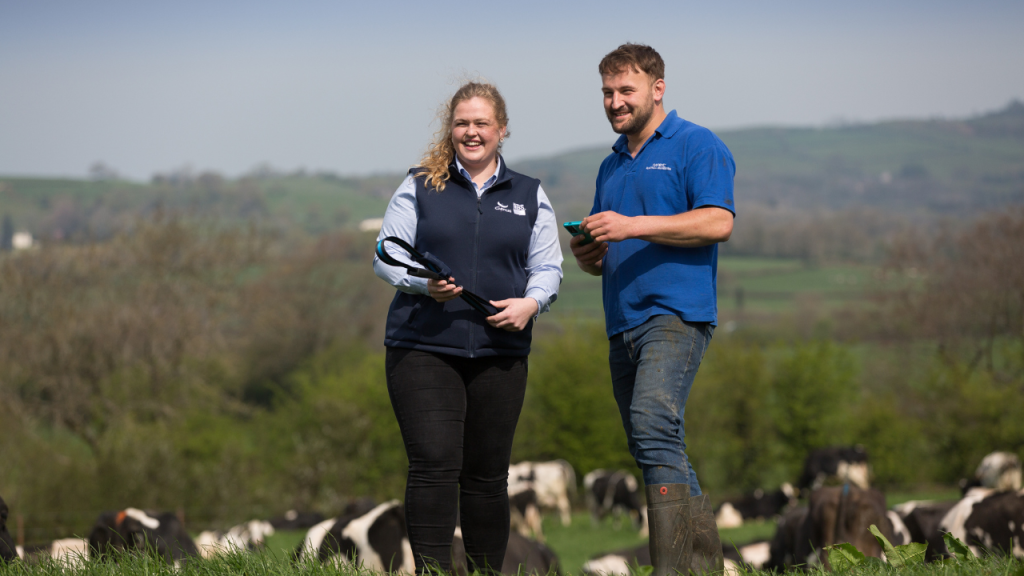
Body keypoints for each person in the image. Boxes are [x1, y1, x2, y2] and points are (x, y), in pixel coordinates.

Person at [373, 81, 562, 574]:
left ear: (501, 129)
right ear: (450, 129)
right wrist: (420, 283)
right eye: (462, 123)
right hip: (423, 347)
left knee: (486, 477)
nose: (471, 132)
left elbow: (548, 267)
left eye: (481, 123)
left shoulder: (529, 194)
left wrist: (531, 304)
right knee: (434, 465)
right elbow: (386, 254)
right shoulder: (420, 183)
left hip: (501, 350)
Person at [571, 43, 736, 575]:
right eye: (607, 93)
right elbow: (604, 254)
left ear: (657, 89)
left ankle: (672, 570)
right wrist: (588, 253)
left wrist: (631, 225)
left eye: (626, 90)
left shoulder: (696, 144)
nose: (615, 102)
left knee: (651, 423)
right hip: (622, 319)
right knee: (654, 440)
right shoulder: (611, 164)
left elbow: (718, 222)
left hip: (676, 313)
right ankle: (705, 568)